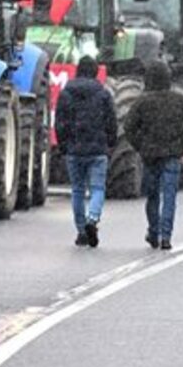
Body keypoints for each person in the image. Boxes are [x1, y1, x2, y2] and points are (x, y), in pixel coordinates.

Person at [124, 60, 183, 251]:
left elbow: (129, 127)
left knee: (152, 196)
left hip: (150, 156)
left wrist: (140, 146)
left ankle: (154, 232)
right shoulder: (179, 101)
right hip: (173, 154)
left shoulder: (142, 101)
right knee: (170, 197)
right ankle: (166, 237)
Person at [54, 56, 116, 248]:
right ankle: (93, 219)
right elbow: (111, 122)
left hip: (74, 149)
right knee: (97, 188)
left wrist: (63, 145)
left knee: (78, 190)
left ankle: (81, 231)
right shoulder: (104, 94)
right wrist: (110, 143)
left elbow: (60, 123)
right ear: (95, 71)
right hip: (97, 150)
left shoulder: (66, 94)